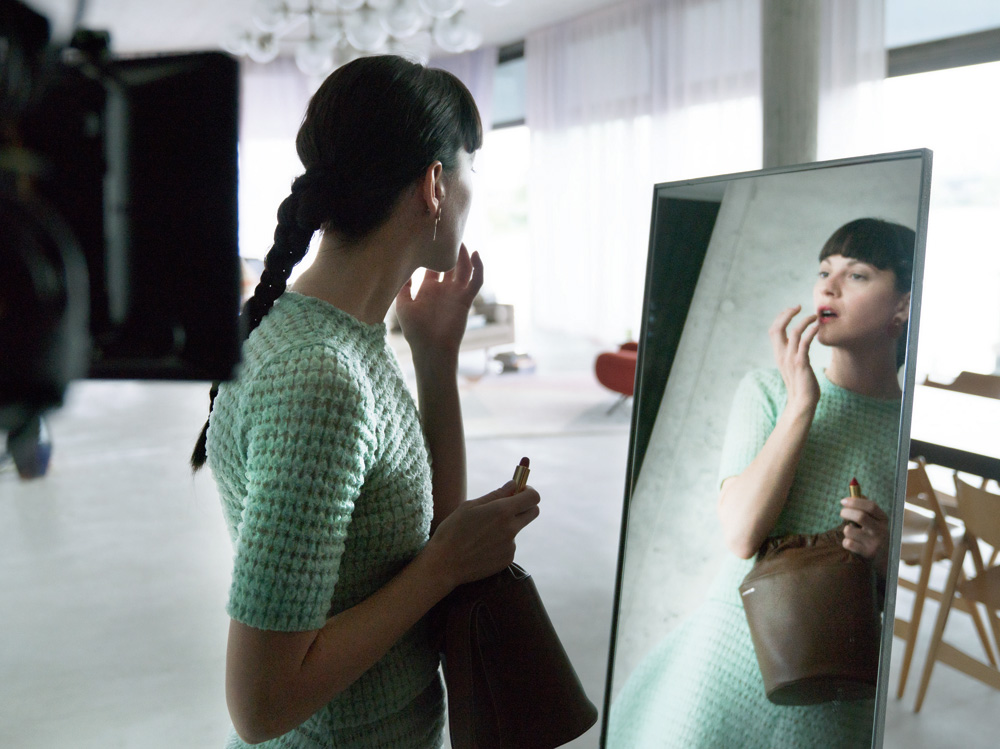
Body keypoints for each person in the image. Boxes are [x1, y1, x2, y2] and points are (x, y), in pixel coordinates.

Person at [190, 55, 540, 748]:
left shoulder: (329, 335)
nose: (473, 186)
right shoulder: (321, 377)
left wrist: (434, 355)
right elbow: (260, 704)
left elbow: (422, 537)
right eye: (470, 164)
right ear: (434, 186)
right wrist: (445, 565)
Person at [608, 217, 914, 747]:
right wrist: (801, 404)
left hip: (834, 696)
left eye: (857, 274)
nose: (828, 287)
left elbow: (897, 603)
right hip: (724, 669)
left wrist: (884, 558)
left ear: (903, 307)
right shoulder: (768, 393)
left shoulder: (911, 434)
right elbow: (741, 533)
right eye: (824, 271)